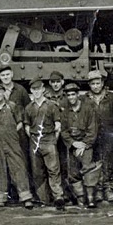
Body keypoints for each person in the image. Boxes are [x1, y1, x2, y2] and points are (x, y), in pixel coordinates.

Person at [0, 81, 34, 209]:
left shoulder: (12, 106)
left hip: (12, 141)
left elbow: (20, 122)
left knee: (18, 167)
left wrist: (11, 133)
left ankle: (26, 197)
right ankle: (1, 198)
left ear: (3, 93)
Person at [24, 79, 65, 209]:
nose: (36, 92)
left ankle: (58, 196)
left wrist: (53, 140)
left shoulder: (51, 105)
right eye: (33, 89)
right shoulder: (29, 108)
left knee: (53, 170)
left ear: (43, 89)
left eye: (38, 89)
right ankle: (44, 199)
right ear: (31, 91)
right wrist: (33, 139)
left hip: (49, 140)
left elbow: (57, 125)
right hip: (35, 142)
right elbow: (27, 126)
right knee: (37, 172)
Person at [60, 82, 101, 208]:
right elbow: (64, 132)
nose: (71, 97)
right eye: (69, 95)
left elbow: (92, 129)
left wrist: (84, 144)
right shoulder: (66, 112)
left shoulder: (88, 109)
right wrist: (73, 144)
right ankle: (81, 197)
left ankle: (90, 198)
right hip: (73, 146)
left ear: (78, 95)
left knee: (88, 168)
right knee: (73, 172)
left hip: (86, 145)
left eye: (73, 94)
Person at [86, 70, 113, 203]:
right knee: (96, 161)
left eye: (98, 83)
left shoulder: (111, 97)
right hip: (94, 135)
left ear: (102, 83)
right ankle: (98, 189)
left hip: (109, 133)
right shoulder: (85, 99)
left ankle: (109, 188)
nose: (95, 86)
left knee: (109, 160)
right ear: (89, 85)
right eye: (93, 84)